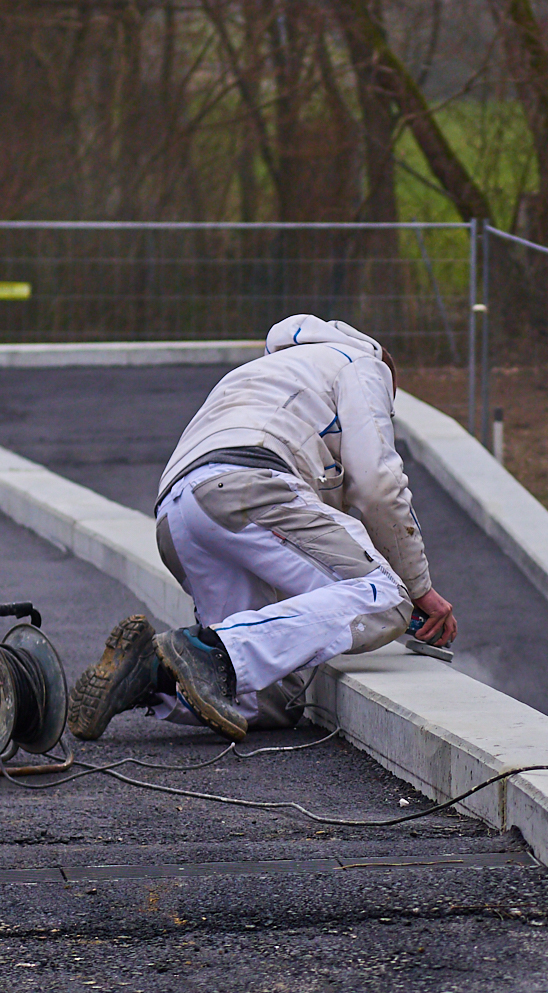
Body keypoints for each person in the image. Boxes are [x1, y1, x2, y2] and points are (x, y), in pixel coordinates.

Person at [67, 314, 456, 743]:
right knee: (384, 595)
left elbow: (310, 526)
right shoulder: (361, 364)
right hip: (248, 486)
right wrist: (418, 588)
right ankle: (208, 650)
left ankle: (147, 676)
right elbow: (378, 486)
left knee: (265, 702)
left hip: (179, 513)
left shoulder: (260, 375)